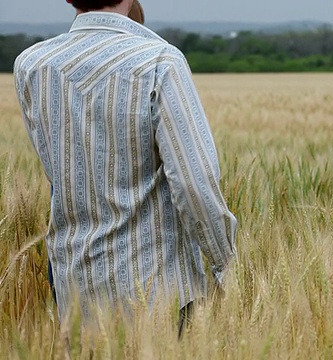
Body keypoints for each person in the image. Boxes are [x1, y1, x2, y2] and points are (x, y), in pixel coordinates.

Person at [14, 0, 237, 332]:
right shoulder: (160, 61)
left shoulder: (31, 65)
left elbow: (58, 173)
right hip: (158, 293)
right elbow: (195, 185)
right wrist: (227, 266)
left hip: (73, 290)